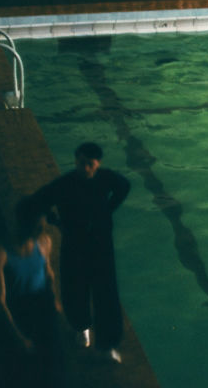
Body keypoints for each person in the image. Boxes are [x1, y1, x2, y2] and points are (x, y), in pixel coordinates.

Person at [28, 142, 130, 364]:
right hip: (75, 244)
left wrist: (109, 209)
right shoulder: (65, 184)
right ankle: (81, 327)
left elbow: (124, 186)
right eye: (82, 163)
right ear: (76, 161)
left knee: (106, 293)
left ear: (97, 165)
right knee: (75, 287)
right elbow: (40, 199)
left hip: (101, 245)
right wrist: (55, 220)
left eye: (90, 165)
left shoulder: (106, 178)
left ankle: (107, 343)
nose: (85, 168)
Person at [0, 197, 65, 387]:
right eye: (38, 225)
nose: (41, 229)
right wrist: (18, 336)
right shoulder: (1, 253)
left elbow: (49, 274)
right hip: (20, 308)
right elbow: (0, 300)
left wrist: (54, 299)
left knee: (54, 362)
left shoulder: (43, 243)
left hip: (43, 303)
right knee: (27, 370)